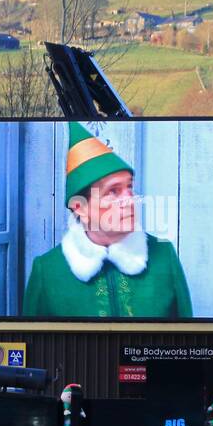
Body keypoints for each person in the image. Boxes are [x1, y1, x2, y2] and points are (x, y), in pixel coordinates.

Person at [22, 122, 193, 319]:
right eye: (113, 191)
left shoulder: (164, 255)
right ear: (80, 208)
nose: (129, 200)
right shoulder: (48, 270)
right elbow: (32, 344)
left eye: (129, 187)